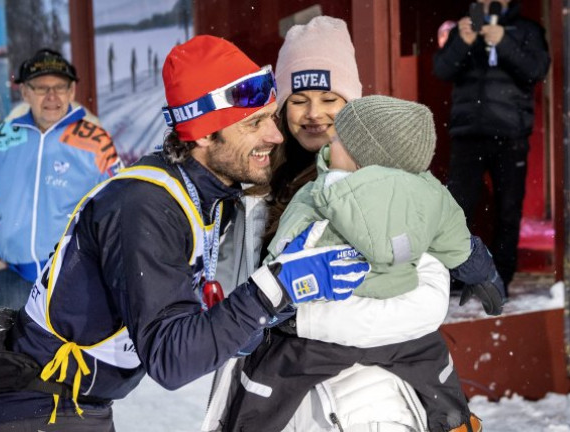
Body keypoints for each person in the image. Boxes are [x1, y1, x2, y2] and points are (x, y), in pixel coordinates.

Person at [0, 35, 368, 432]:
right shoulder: (145, 205)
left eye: (272, 118)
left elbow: (198, 323)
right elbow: (172, 361)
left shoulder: (206, 194)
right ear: (205, 135)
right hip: (41, 408)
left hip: (73, 403)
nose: (276, 136)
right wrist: (277, 286)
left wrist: (278, 303)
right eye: (255, 123)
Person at [205, 16, 470, 432]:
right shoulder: (252, 183)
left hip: (363, 399)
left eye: (330, 98)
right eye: (299, 99)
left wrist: (294, 318)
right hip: (269, 390)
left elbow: (422, 304)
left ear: (353, 104)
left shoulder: (394, 180)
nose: (314, 114)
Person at [221, 95, 508, 432]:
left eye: (340, 138)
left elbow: (289, 253)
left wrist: (267, 313)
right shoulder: (432, 196)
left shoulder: (320, 196)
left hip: (319, 337)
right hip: (404, 336)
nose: (331, 139)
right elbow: (459, 245)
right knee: (435, 362)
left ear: (361, 156)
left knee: (269, 375)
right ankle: (456, 421)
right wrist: (483, 272)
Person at [0, 48, 123, 310]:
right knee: (16, 352)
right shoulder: (0, 139)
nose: (52, 97)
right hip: (13, 277)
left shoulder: (96, 141)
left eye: (59, 87)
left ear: (71, 92)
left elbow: (120, 208)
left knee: (71, 351)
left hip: (77, 278)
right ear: (25, 92)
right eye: (41, 88)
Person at [433, 0, 550, 293]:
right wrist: (464, 42)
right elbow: (442, 70)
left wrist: (504, 41)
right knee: (457, 210)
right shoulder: (464, 27)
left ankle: (500, 279)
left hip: (510, 134)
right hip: (468, 133)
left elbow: (536, 69)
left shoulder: (526, 30)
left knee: (508, 211)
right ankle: (459, 276)